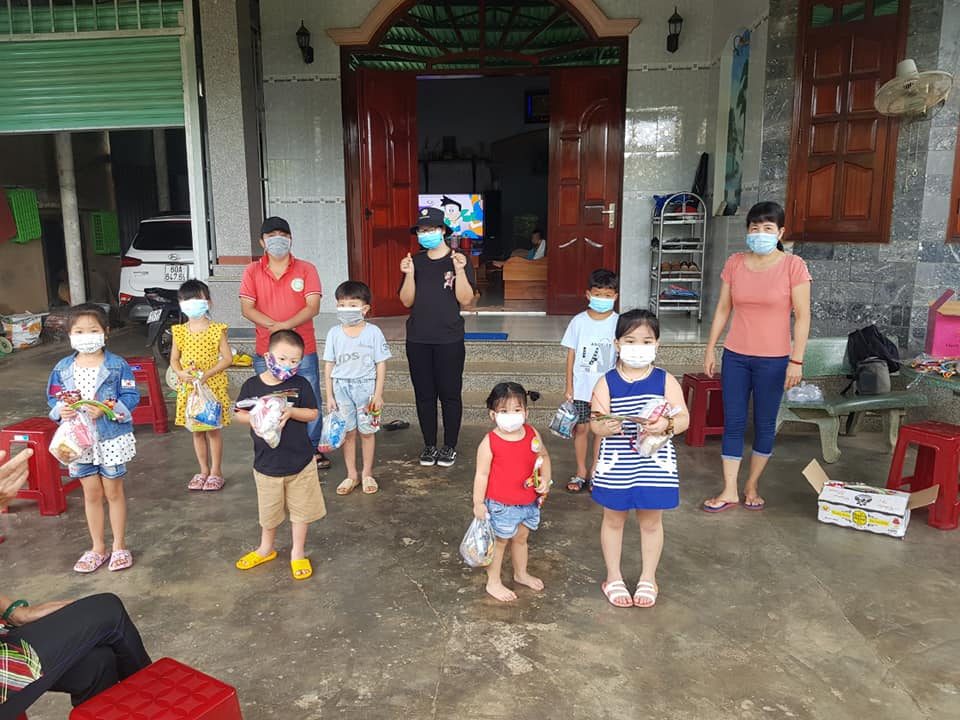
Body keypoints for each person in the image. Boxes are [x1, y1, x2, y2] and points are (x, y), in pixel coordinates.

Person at [702, 201, 812, 513]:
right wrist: (710, 348)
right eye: (754, 228)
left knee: (764, 423)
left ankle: (752, 484)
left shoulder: (794, 266)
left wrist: (797, 360)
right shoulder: (735, 263)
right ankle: (729, 489)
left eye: (767, 228)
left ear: (780, 232)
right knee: (734, 422)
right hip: (736, 356)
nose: (760, 233)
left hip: (774, 360)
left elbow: (803, 316)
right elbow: (723, 309)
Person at [590, 309, 689, 608]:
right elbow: (595, 422)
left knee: (651, 521)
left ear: (657, 344)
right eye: (630, 340)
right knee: (613, 519)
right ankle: (613, 577)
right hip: (617, 462)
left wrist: (667, 425)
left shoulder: (665, 380)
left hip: (654, 464)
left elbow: (683, 418)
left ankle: (649, 578)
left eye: (646, 341)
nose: (638, 347)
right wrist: (605, 426)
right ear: (617, 344)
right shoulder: (606, 382)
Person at [46, 304, 140, 573]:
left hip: (110, 439)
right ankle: (98, 547)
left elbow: (131, 396)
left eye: (93, 330)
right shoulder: (63, 368)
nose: (86, 336)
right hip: (78, 441)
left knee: (113, 491)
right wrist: (60, 411)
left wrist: (109, 409)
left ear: (105, 332)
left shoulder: (117, 365)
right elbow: (53, 397)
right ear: (69, 334)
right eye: (79, 331)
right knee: (91, 493)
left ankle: (119, 546)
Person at [234, 330, 327, 581]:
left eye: (294, 361)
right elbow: (238, 413)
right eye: (282, 359)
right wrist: (258, 416)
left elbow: (313, 413)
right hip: (266, 464)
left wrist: (291, 411)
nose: (288, 365)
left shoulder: (301, 384)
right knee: (269, 513)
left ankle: (298, 552)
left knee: (301, 512)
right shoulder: (252, 386)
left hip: (301, 463)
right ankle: (266, 548)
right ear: (268, 356)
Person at [239, 216, 330, 470]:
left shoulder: (306, 269)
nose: (278, 240)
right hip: (266, 351)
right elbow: (247, 308)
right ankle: (273, 445)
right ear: (262, 241)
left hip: (302, 351)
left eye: (283, 235)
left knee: (308, 399)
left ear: (290, 239)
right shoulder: (252, 271)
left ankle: (311, 449)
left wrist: (284, 326)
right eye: (271, 236)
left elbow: (313, 306)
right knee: (266, 400)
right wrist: (275, 327)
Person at [399, 206, 477, 469]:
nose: (426, 234)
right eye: (422, 230)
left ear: (443, 230)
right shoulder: (415, 262)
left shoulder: (458, 260)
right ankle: (429, 444)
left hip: (448, 339)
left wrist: (460, 271)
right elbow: (406, 300)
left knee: (450, 394)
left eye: (431, 229)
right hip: (418, 339)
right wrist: (409, 275)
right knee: (424, 395)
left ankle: (449, 445)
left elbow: (466, 299)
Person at [471, 382, 552, 602]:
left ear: (526, 412)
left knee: (521, 538)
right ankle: (493, 582)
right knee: (500, 543)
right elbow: (482, 475)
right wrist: (478, 503)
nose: (512, 416)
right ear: (493, 414)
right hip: (500, 505)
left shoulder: (532, 433)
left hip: (528, 501)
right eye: (504, 411)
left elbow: (543, 457)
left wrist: (546, 480)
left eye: (517, 410)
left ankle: (521, 573)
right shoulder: (490, 442)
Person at [323, 281, 391, 496]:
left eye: (352, 305)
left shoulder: (373, 332)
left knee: (367, 432)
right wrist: (329, 395)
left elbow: (381, 364)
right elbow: (329, 365)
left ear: (365, 308)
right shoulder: (334, 333)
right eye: (342, 305)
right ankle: (351, 474)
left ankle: (367, 473)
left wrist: (378, 394)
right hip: (341, 388)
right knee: (348, 433)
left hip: (366, 388)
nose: (346, 309)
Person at [170, 280, 233, 492]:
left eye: (197, 298)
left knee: (213, 430)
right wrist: (180, 373)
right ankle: (203, 470)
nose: (192, 303)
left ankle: (216, 471)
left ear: (208, 302)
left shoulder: (216, 330)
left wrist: (207, 374)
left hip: (211, 388)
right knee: (197, 431)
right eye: (186, 300)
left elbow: (227, 358)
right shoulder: (179, 332)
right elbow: (174, 359)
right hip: (190, 390)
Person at [561, 269, 620, 493]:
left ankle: (596, 471)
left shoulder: (619, 323)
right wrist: (569, 386)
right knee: (581, 429)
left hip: (606, 391)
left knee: (601, 431)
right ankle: (580, 472)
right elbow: (571, 355)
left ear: (615, 297)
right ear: (588, 294)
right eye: (598, 294)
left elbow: (621, 357)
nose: (602, 299)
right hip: (581, 389)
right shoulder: (578, 322)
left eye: (607, 295)